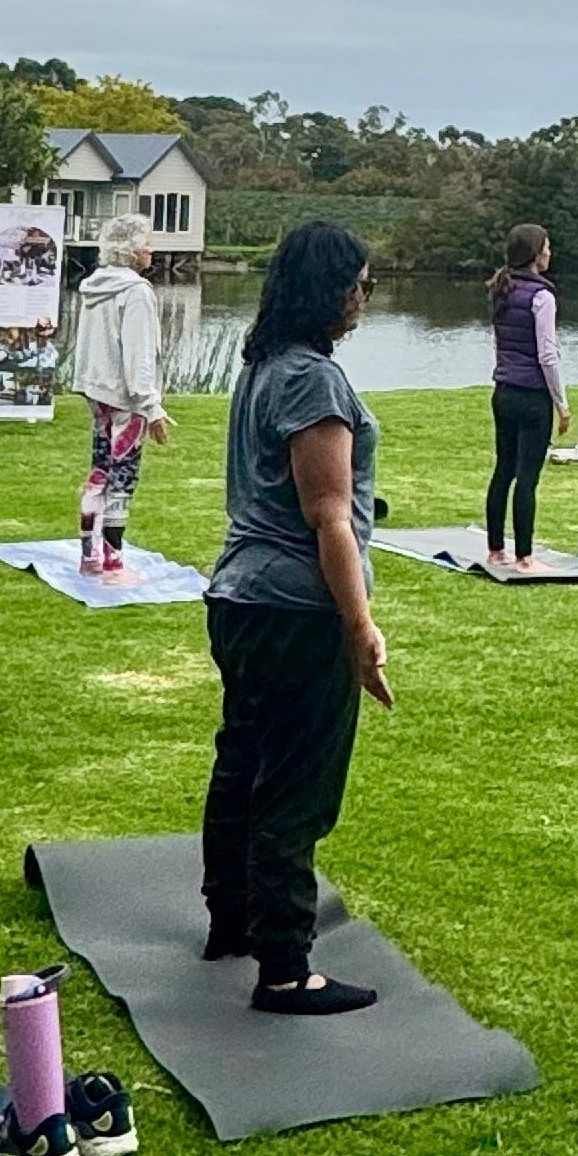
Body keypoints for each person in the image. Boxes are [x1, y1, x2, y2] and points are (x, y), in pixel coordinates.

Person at [200, 221, 392, 1016]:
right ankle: (284, 967)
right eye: (361, 282)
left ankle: (231, 922)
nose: (366, 296)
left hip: (242, 598)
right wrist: (361, 627)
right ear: (331, 290)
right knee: (293, 787)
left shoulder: (264, 366)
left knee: (244, 763)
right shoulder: (311, 380)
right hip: (292, 608)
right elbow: (328, 516)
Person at [72, 217, 168, 579]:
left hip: (98, 392)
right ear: (130, 250)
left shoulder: (93, 288)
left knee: (100, 471)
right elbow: (139, 355)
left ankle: (88, 556)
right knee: (122, 479)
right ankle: (113, 563)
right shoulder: (136, 292)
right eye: (146, 242)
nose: (151, 249)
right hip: (125, 399)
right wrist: (151, 405)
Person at [483, 223, 568, 574]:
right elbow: (548, 355)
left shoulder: (503, 289)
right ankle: (525, 558)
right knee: (527, 477)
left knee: (503, 469)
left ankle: (495, 550)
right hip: (533, 398)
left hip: (503, 392)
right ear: (535, 254)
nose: (550, 253)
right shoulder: (541, 297)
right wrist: (561, 403)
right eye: (546, 247)